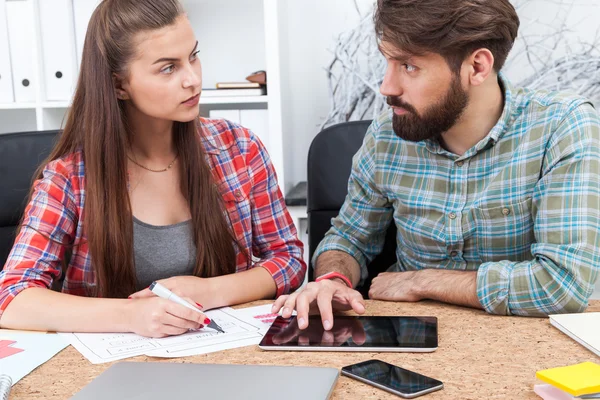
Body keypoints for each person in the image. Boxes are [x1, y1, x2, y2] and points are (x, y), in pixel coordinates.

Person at [273, 0, 600, 330]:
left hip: (520, 342)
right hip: (405, 337)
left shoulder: (561, 127)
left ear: (477, 67)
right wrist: (333, 278)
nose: (387, 87)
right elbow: (349, 238)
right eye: (388, 62)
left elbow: (562, 284)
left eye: (409, 66)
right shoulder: (386, 136)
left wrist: (422, 282)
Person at [0, 0, 305, 338]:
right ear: (119, 85)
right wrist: (132, 315)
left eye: (193, 56)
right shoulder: (69, 179)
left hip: (222, 356)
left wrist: (209, 291)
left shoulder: (240, 149)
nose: (192, 79)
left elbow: (288, 259)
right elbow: (13, 296)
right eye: (168, 68)